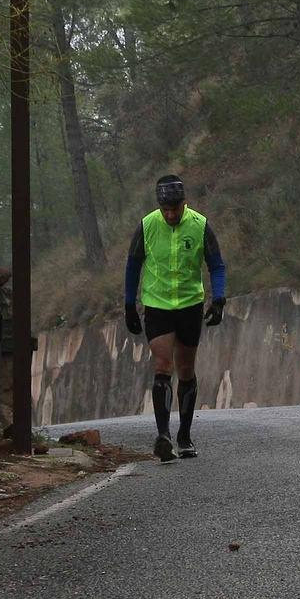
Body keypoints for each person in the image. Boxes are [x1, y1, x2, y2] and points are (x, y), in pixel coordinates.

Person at [124, 174, 227, 462]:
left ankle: (184, 435)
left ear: (185, 203)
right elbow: (133, 265)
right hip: (157, 305)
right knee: (162, 364)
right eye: (165, 209)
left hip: (190, 305)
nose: (170, 215)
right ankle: (163, 435)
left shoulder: (200, 225)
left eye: (176, 209)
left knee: (185, 369)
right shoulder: (147, 225)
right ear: (159, 206)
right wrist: (129, 305)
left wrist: (218, 299)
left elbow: (217, 265)